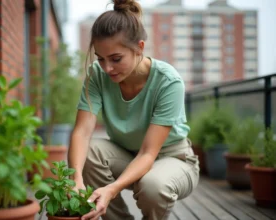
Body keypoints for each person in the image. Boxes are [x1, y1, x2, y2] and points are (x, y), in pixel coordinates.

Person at [68, 0, 199, 219]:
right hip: (126, 154)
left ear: (139, 47)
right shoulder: (97, 74)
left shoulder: (168, 82)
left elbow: (148, 153)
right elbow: (82, 131)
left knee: (153, 186)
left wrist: (112, 188)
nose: (107, 68)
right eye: (100, 59)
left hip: (172, 159)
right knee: (90, 152)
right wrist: (76, 180)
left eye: (116, 59)